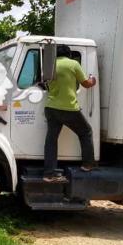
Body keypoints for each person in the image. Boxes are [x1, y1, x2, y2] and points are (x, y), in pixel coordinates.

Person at [43, 44, 97, 183]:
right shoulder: (73, 64)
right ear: (69, 54)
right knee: (86, 132)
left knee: (51, 140)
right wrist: (93, 79)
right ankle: (87, 165)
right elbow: (85, 84)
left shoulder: (50, 64)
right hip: (68, 108)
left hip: (51, 107)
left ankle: (49, 173)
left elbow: (45, 82)